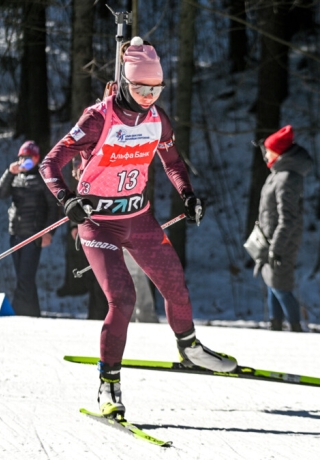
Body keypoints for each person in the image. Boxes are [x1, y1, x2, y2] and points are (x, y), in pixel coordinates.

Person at [40, 36, 237, 418]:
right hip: (100, 225)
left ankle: (190, 348)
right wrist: (68, 200)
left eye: (156, 89)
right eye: (142, 88)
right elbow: (49, 163)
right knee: (124, 299)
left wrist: (188, 195)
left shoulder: (158, 120)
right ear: (126, 83)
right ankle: (108, 386)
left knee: (175, 285)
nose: (149, 96)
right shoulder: (98, 118)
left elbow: (174, 163)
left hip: (139, 219)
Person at [255, 126, 312, 333]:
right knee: (272, 283)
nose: (266, 154)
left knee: (280, 286)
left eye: (270, 151)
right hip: (271, 240)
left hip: (282, 241)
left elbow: (289, 217)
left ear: (279, 153)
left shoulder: (287, 177)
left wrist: (276, 247)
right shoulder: (278, 173)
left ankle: (296, 328)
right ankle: (275, 326)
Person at [0, 140, 59, 316]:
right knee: (24, 279)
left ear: (37, 159)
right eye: (22, 158)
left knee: (25, 277)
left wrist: (49, 232)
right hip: (15, 233)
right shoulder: (16, 176)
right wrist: (9, 172)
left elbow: (54, 207)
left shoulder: (43, 177)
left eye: (30, 158)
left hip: (34, 235)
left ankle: (17, 313)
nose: (25, 162)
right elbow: (0, 193)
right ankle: (33, 314)